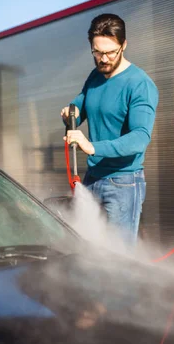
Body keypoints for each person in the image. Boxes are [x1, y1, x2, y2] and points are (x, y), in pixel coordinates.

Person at [61, 13, 159, 245]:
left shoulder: (139, 84)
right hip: (92, 178)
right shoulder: (95, 76)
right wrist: (70, 113)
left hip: (123, 183)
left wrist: (92, 146)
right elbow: (80, 106)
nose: (103, 59)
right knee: (88, 250)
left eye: (110, 52)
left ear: (124, 45)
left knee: (118, 259)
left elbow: (139, 138)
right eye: (97, 52)